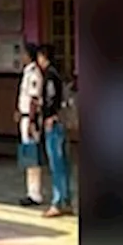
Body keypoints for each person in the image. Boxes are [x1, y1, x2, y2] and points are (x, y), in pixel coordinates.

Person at [37, 45, 72, 217]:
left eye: (40, 57)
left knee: (56, 163)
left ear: (44, 57)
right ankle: (66, 200)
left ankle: (57, 202)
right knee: (63, 163)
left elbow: (51, 98)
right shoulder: (59, 74)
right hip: (62, 122)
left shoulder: (50, 76)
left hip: (54, 124)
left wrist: (48, 116)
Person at [16, 43, 43, 207]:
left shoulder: (34, 73)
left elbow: (33, 99)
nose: (22, 57)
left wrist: (32, 121)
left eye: (24, 54)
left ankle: (35, 193)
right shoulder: (26, 72)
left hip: (30, 119)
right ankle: (30, 191)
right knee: (28, 155)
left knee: (32, 156)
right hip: (24, 117)